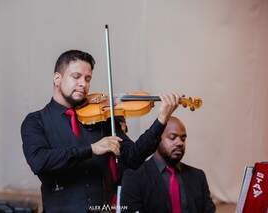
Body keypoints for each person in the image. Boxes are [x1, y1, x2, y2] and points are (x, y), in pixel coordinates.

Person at [20, 50, 180, 212]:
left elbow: (133, 157)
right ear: (57, 79)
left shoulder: (102, 118)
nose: (83, 84)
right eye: (76, 76)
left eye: (87, 79)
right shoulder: (35, 121)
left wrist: (161, 120)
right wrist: (92, 149)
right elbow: (39, 161)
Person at [120, 116, 216, 213]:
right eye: (172, 137)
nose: (180, 143)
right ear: (157, 139)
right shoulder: (134, 177)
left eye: (183, 139)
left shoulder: (198, 176)